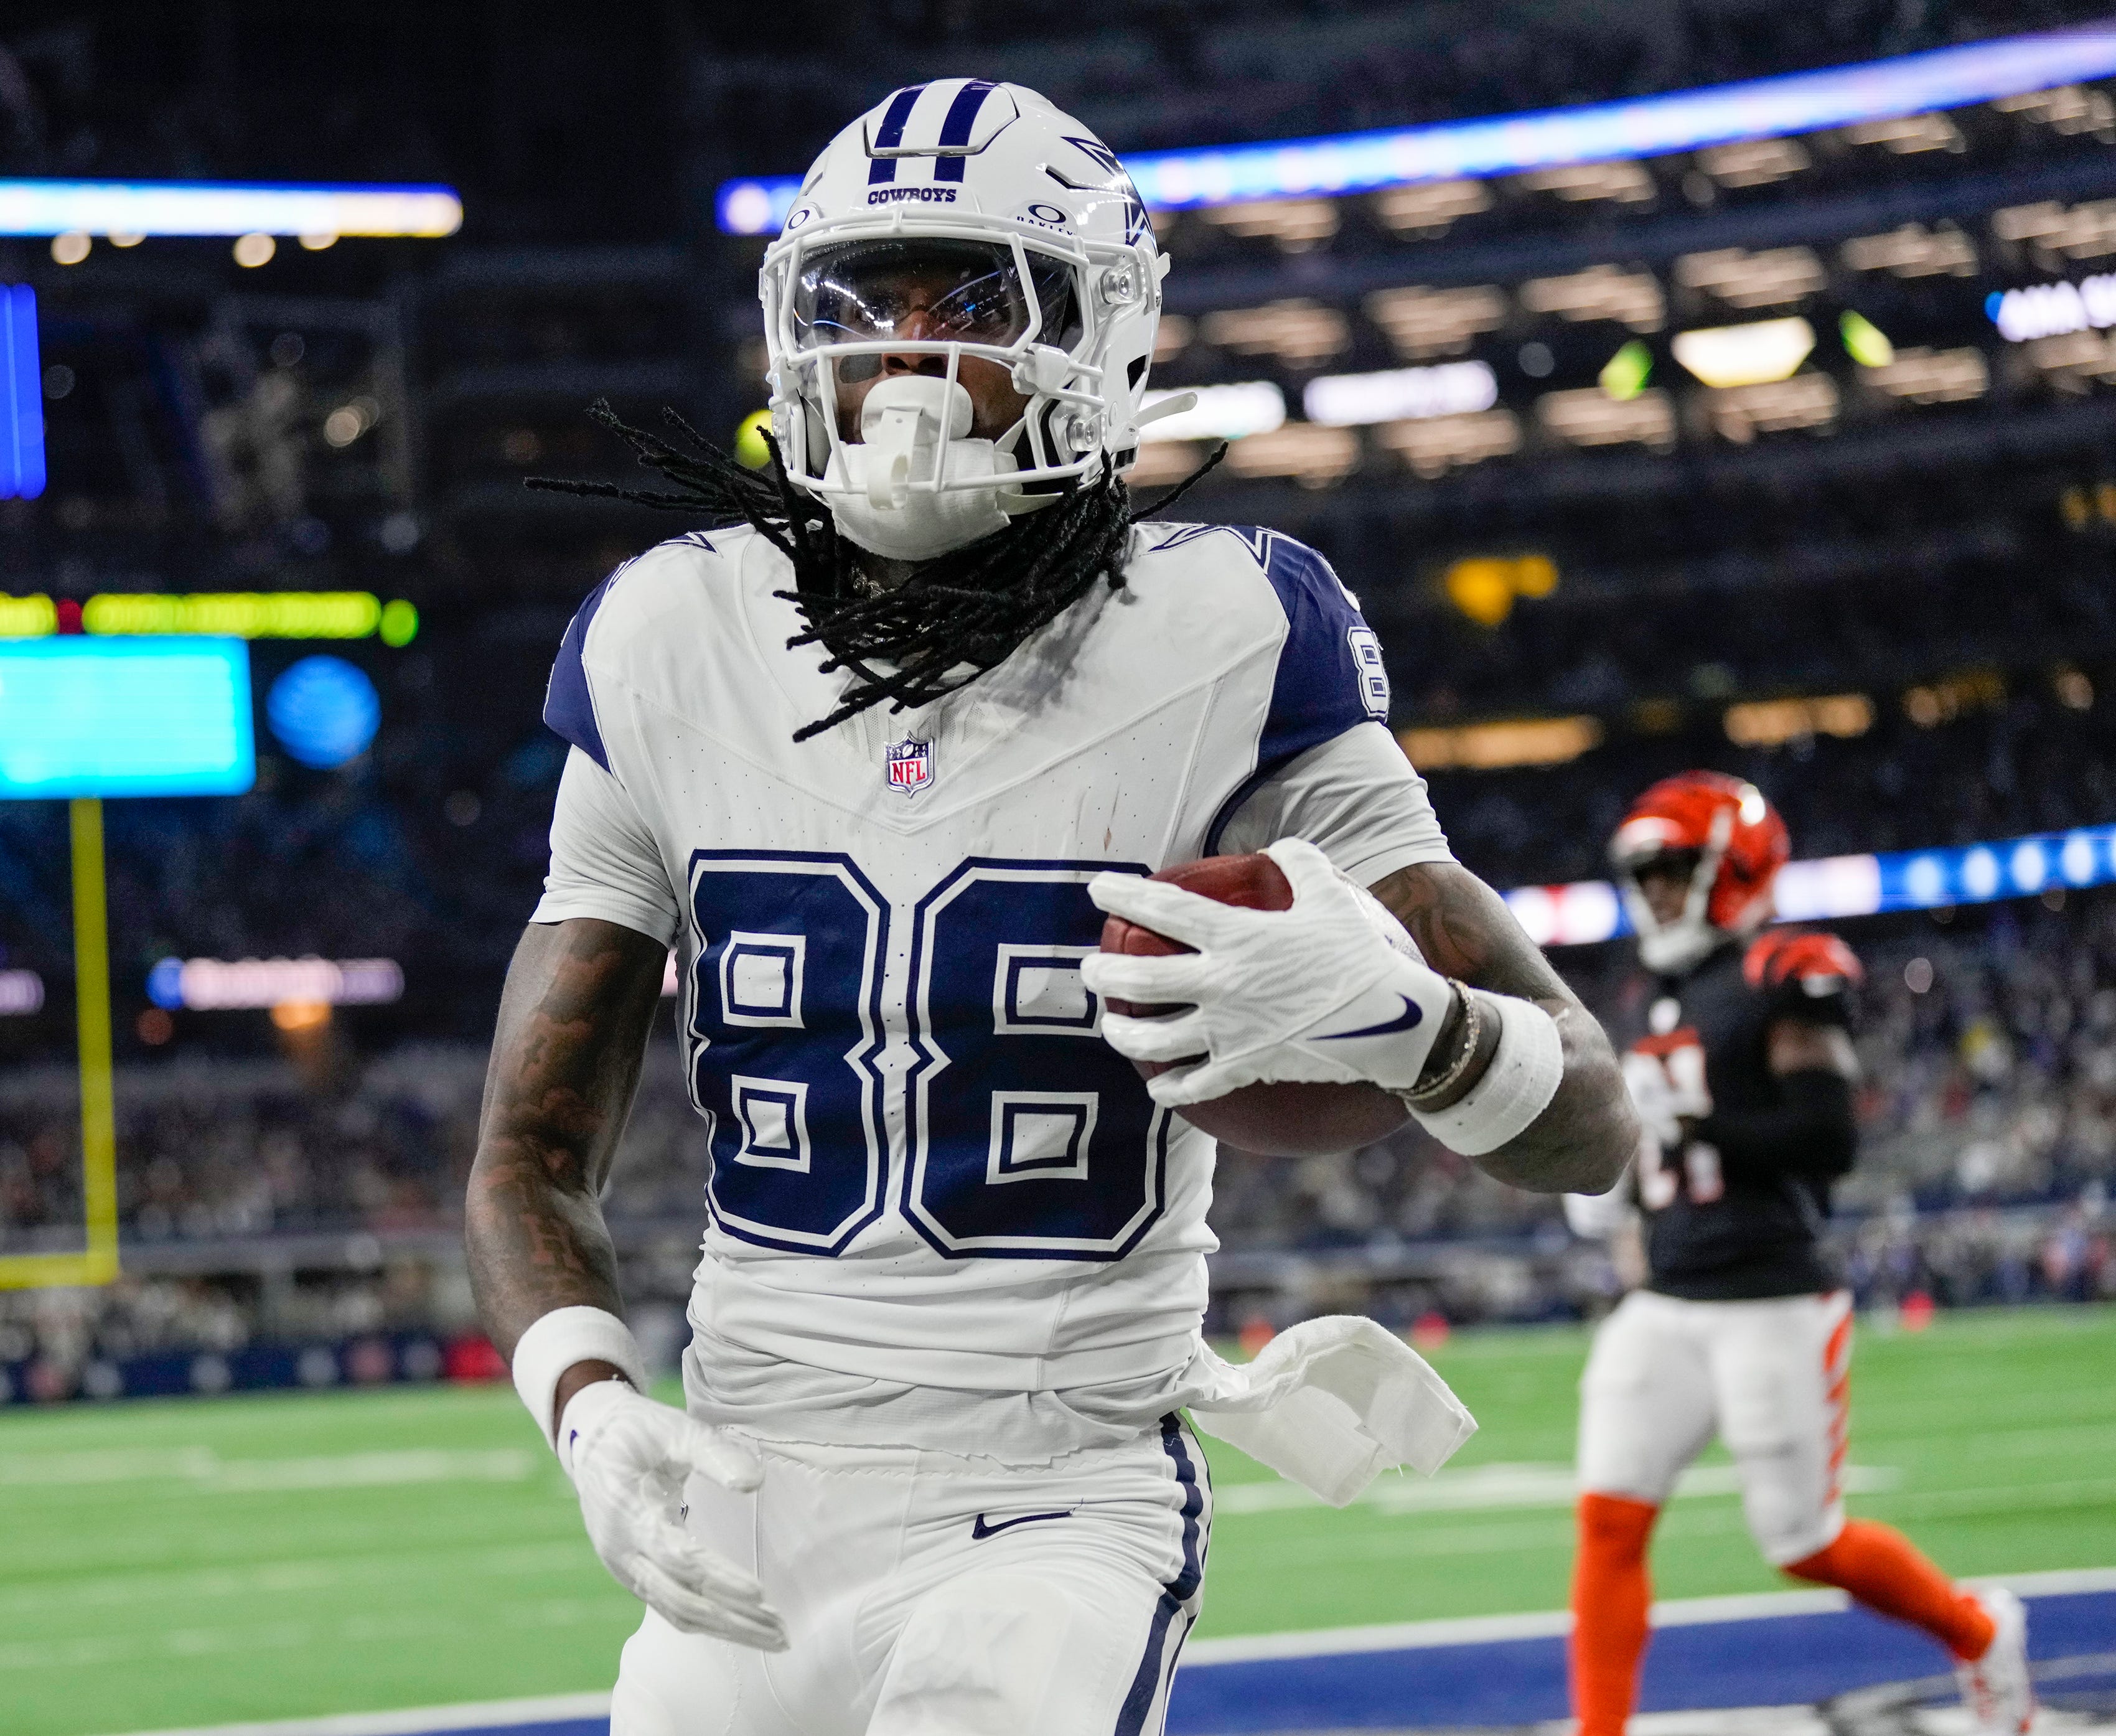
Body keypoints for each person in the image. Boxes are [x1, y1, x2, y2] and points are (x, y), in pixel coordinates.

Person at [464, 78, 1637, 1736]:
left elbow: (1589, 1116)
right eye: (863, 304)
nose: (908, 359)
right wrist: (586, 1402)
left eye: (974, 301)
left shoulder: (1235, 625)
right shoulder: (665, 634)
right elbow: (527, 1149)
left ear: (1106, 333)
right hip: (749, 1488)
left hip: (1055, 1492)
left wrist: (1408, 1019)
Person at [1563, 771, 2033, 1736]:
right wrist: (1612, 1160)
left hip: (1770, 1295)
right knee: (1609, 1521)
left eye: (1673, 870)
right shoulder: (1661, 992)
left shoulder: (1790, 968)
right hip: (1667, 1298)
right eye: (1645, 873)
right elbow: (1656, 1144)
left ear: (1733, 870)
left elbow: (1828, 1142)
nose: (1654, 892)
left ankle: (1979, 1630)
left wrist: (1692, 1123)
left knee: (1803, 1539)